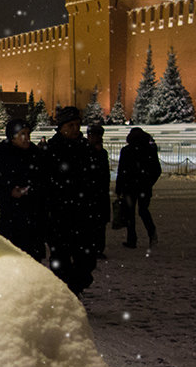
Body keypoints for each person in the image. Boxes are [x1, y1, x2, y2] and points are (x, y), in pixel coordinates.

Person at [44, 107, 109, 292]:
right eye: (70, 125)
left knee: (86, 260)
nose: (75, 128)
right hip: (60, 215)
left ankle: (74, 287)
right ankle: (67, 291)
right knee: (60, 259)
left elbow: (96, 180)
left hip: (83, 214)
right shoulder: (52, 150)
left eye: (77, 125)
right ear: (61, 126)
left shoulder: (87, 150)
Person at [0, 118, 46, 261]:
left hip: (33, 219)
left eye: (28, 134)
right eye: (22, 134)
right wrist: (8, 192)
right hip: (10, 220)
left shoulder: (36, 156)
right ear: (12, 137)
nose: (26, 138)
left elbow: (46, 181)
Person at [115, 127, 161, 249]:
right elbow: (157, 170)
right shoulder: (149, 150)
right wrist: (149, 182)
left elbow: (121, 171)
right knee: (143, 211)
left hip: (129, 187)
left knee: (130, 214)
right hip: (143, 187)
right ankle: (151, 233)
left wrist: (119, 188)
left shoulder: (126, 150)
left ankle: (132, 240)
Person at [86, 123, 111, 261]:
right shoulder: (94, 152)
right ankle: (94, 247)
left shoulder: (100, 153)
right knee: (95, 224)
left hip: (97, 193)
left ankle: (96, 248)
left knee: (98, 224)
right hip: (94, 193)